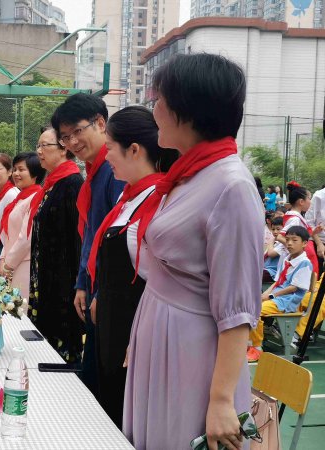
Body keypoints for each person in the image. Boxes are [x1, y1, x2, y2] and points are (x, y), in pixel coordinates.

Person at [123, 53, 264, 450]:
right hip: (164, 336)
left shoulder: (231, 185)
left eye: (159, 101)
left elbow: (237, 309)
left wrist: (221, 401)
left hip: (193, 351)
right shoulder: (189, 174)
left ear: (188, 109)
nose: (154, 110)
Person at [86, 106, 179, 427]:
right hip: (112, 325)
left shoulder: (159, 200)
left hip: (131, 331)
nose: (106, 155)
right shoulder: (129, 198)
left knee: (123, 416)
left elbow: (162, 282)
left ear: (135, 150)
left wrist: (142, 337)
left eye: (110, 147)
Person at [51, 93, 124, 394]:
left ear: (100, 123)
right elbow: (91, 237)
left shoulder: (115, 171)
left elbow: (117, 242)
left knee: (103, 377)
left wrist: (103, 290)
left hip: (110, 293)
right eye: (65, 138)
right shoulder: (95, 174)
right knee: (93, 370)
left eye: (77, 132)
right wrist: (83, 283)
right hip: (94, 286)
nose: (72, 143)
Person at [29, 126, 84, 362]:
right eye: (38, 145)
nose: (39, 151)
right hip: (45, 279)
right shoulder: (52, 184)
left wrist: (73, 285)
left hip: (62, 285)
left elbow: (76, 239)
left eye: (45, 145)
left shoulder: (71, 184)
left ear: (64, 149)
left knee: (60, 348)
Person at [248, 226, 313, 362]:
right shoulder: (287, 258)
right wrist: (265, 294)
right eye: (288, 240)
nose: (289, 243)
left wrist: (271, 296)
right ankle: (249, 343)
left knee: (255, 311)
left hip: (286, 301)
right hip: (277, 298)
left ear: (305, 243)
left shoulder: (304, 263)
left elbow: (293, 288)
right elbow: (278, 282)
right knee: (249, 305)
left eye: (294, 240)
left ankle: (257, 347)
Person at [0, 152, 46, 299]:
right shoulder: (20, 198)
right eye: (15, 169)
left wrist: (8, 264)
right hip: (12, 263)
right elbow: (9, 233)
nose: (16, 174)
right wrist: (2, 259)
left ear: (35, 172)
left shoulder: (36, 197)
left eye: (21, 169)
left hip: (25, 263)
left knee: (20, 309)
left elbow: (26, 237)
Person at [276, 182, 322, 276]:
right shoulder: (295, 219)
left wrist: (314, 232)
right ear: (301, 202)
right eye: (309, 198)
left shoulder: (295, 216)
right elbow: (280, 237)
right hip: (294, 260)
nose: (311, 201)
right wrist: (296, 249)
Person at [264, 215, 285, 282]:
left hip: (272, 272)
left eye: (278, 229)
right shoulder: (275, 242)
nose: (275, 232)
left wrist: (271, 241)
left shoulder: (283, 243)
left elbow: (271, 254)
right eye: (273, 229)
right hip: (265, 269)